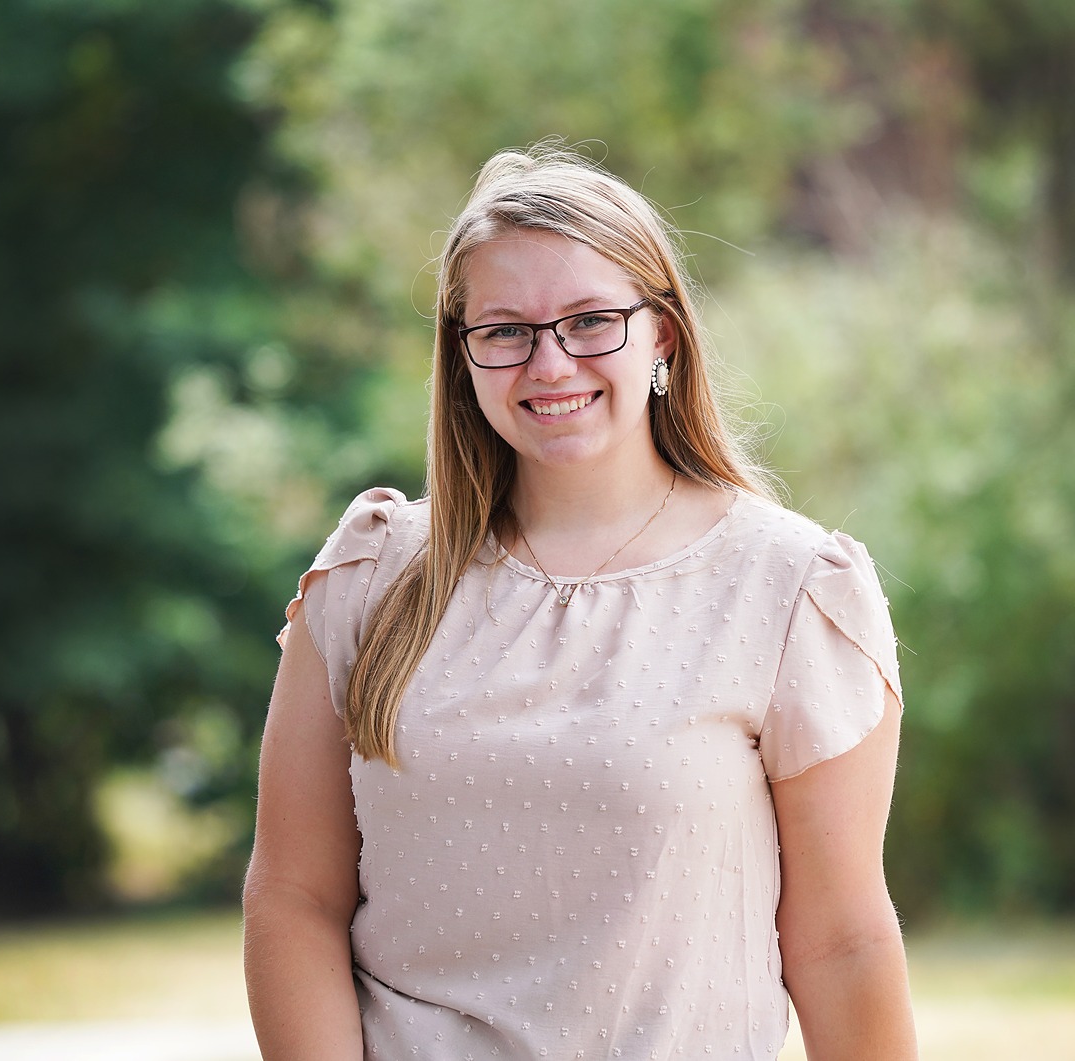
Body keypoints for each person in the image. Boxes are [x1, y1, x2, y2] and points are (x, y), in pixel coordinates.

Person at [242, 143, 918, 1060]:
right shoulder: (372, 573)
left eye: (591, 320)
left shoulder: (791, 590)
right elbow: (294, 896)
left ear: (663, 336)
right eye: (506, 330)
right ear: (464, 354)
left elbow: (842, 942)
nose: (549, 363)